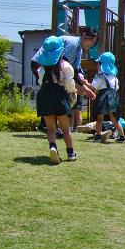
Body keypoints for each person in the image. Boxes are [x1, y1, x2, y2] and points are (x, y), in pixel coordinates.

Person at [31, 27, 97, 133]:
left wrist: (85, 87)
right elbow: (63, 65)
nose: (91, 44)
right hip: (40, 65)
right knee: (56, 94)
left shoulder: (78, 49)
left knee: (55, 94)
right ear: (84, 36)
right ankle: (48, 126)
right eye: (91, 41)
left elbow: (74, 72)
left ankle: (45, 125)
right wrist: (83, 88)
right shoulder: (73, 44)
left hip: (50, 68)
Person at [35, 36, 78, 164]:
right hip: (59, 97)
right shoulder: (65, 66)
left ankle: (53, 147)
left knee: (51, 128)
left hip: (44, 96)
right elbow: (70, 84)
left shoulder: (41, 68)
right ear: (61, 51)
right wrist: (73, 92)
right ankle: (70, 153)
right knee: (65, 128)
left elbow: (40, 82)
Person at [89, 52, 125, 143]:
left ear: (102, 65)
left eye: (98, 63)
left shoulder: (100, 76)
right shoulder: (114, 77)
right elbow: (116, 88)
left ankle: (98, 135)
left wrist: (85, 84)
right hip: (114, 97)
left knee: (99, 117)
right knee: (114, 118)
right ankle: (122, 136)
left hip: (104, 96)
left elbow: (94, 87)